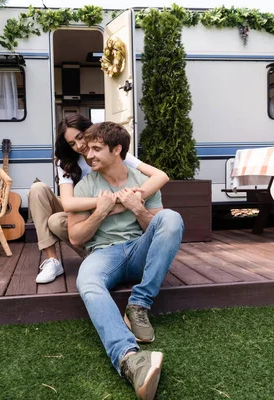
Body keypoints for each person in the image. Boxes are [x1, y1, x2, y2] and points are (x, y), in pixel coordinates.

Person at [68, 122, 184, 400]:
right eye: (88, 149)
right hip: (103, 254)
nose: (89, 155)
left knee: (171, 217)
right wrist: (100, 212)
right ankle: (130, 359)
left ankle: (139, 304)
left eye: (97, 149)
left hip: (138, 249)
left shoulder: (142, 183)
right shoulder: (85, 186)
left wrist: (138, 209)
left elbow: (158, 230)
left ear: (117, 149)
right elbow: (75, 238)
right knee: (88, 281)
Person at [28, 114, 169, 284]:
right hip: (82, 209)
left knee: (57, 221)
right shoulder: (66, 162)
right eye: (72, 143)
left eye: (80, 137)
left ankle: (97, 255)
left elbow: (161, 176)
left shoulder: (111, 151)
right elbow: (67, 203)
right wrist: (111, 201)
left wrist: (132, 199)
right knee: (38, 191)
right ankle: (53, 260)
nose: (79, 146)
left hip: (107, 216)